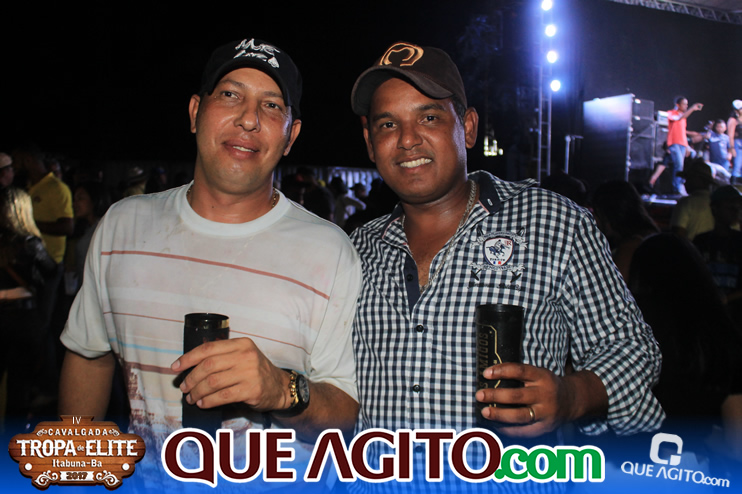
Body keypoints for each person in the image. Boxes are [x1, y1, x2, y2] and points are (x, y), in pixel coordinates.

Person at [348, 41, 664, 482]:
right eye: (388, 124)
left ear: (468, 127)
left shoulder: (553, 223)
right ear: (370, 143)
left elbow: (632, 347)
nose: (407, 139)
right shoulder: (356, 249)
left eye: (429, 117)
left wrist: (572, 396)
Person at [58, 37, 361, 489]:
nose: (249, 119)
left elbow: (345, 415)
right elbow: (90, 356)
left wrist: (280, 389)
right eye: (231, 94)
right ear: (195, 112)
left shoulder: (330, 250)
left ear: (291, 135)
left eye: (271, 106)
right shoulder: (123, 226)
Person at [0, 187, 57, 425]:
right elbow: (51, 273)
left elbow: (51, 274)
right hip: (22, 318)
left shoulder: (21, 243)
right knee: (19, 386)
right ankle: (12, 437)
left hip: (12, 318)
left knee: (17, 385)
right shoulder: (28, 243)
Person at [590, 180, 659, 282]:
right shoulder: (649, 235)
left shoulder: (629, 248)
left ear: (606, 213)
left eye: (594, 211)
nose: (593, 217)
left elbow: (612, 287)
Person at [669, 158, 718, 241]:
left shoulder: (686, 203)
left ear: (698, 179)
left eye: (688, 179)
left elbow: (677, 235)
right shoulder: (719, 202)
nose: (685, 183)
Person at [665, 96, 703, 194]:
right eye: (684, 104)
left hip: (682, 144)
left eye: (687, 104)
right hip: (674, 143)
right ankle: (677, 188)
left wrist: (686, 146)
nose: (686, 106)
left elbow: (682, 132)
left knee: (683, 165)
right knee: (679, 165)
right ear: (677, 105)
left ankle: (680, 186)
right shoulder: (671, 113)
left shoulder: (683, 117)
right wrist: (692, 109)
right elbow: (678, 118)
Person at [728, 99, 742, 184]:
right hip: (737, 144)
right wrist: (732, 148)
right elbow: (730, 135)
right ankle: (734, 185)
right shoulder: (733, 120)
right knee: (737, 166)